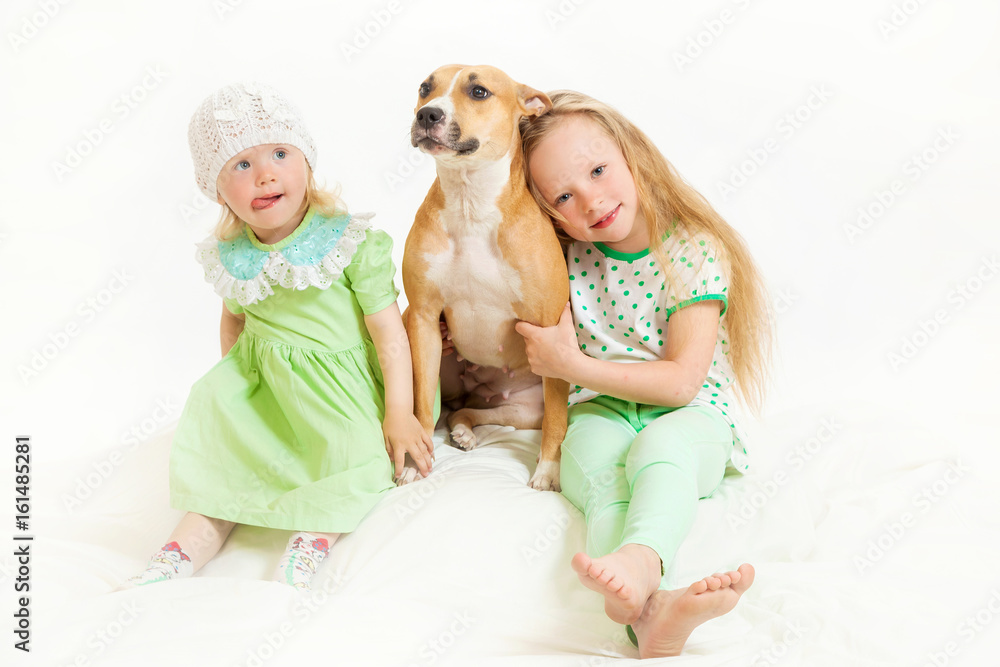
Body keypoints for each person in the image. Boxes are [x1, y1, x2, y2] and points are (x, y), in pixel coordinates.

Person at [126, 82, 432, 591]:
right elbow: (233, 321)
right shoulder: (234, 254)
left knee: (355, 453)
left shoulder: (348, 241)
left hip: (338, 392)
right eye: (241, 165)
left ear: (306, 163)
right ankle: (178, 554)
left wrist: (399, 412)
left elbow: (389, 334)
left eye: (280, 154)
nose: (265, 173)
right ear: (218, 191)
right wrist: (241, 396)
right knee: (225, 458)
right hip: (270, 387)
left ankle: (312, 535)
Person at [514, 90, 772, 657]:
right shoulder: (563, 260)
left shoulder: (694, 250)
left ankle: (641, 560)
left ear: (633, 155)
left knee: (661, 448)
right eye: (563, 196)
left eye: (598, 170)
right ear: (549, 212)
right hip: (599, 413)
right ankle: (649, 616)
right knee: (604, 478)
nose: (591, 200)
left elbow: (681, 383)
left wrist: (571, 366)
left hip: (693, 417)